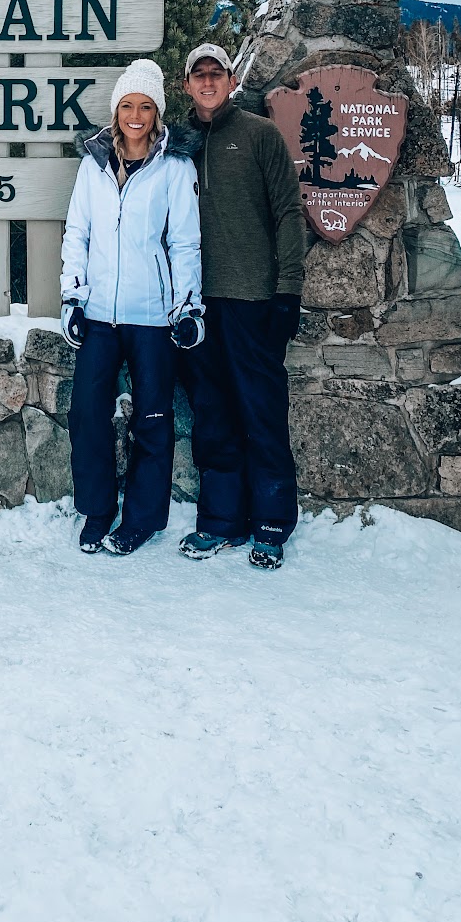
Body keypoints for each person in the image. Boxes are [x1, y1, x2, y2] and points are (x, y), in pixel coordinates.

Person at [60, 59, 205, 555]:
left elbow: (184, 243)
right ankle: (97, 510)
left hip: (153, 318)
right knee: (87, 414)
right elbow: (77, 234)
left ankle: (141, 519)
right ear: (116, 111)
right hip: (99, 313)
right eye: (127, 106)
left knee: (153, 419)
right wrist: (73, 297)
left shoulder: (175, 167)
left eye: (145, 107)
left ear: (157, 112)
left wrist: (188, 308)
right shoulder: (94, 165)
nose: (136, 116)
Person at [176, 42, 306, 571]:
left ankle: (271, 523)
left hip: (253, 300)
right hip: (195, 304)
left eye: (217, 73)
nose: (208, 82)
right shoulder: (176, 144)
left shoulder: (259, 135)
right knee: (212, 416)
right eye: (199, 74)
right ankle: (221, 520)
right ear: (186, 84)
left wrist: (288, 291)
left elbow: (289, 213)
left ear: (231, 81)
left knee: (262, 413)